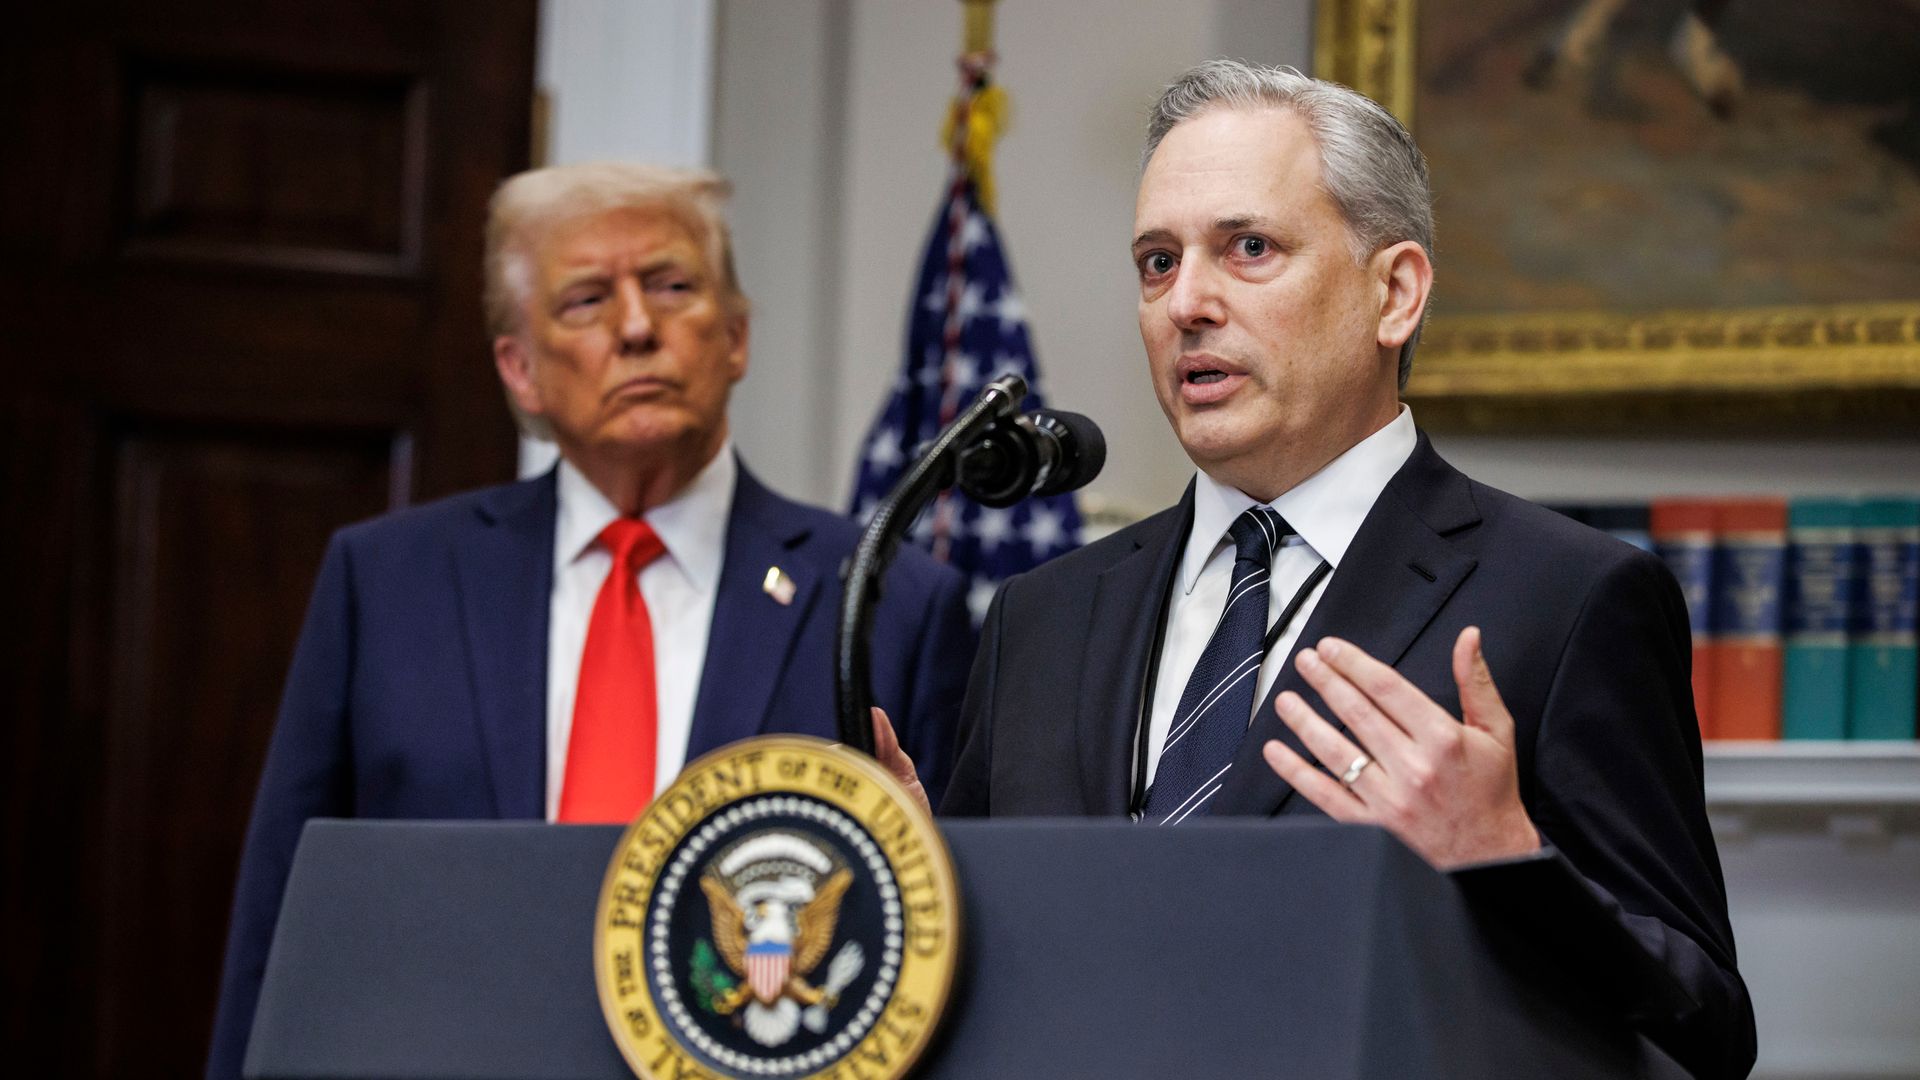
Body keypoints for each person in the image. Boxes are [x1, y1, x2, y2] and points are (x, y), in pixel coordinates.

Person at [875, 60, 1754, 1078]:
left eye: (1248, 248)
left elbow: (1706, 1030)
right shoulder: (1042, 618)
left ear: (1396, 293)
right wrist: (923, 888)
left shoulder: (1566, 600)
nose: (1186, 303)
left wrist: (1507, 859)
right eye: (1157, 263)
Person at [206, 163, 974, 1079]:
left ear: (735, 336)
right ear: (520, 370)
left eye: (671, 285)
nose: (638, 327)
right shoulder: (387, 583)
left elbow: (945, 944)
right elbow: (283, 926)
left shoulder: (886, 597)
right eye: (584, 301)